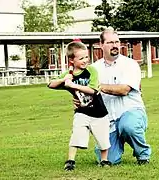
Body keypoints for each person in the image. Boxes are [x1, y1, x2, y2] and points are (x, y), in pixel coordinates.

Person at [73, 28, 151, 165]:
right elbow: (88, 95)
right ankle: (116, 145)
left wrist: (97, 87)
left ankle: (143, 155)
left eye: (117, 42)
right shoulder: (93, 69)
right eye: (110, 42)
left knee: (128, 126)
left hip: (131, 111)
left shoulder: (130, 64)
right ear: (101, 44)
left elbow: (124, 90)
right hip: (108, 119)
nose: (115, 45)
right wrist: (81, 101)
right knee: (108, 160)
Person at [48, 41, 111, 171]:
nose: (85, 60)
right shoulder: (68, 75)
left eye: (86, 57)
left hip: (99, 112)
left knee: (103, 139)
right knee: (76, 133)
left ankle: (104, 160)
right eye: (81, 58)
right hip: (81, 111)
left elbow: (93, 90)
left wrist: (73, 85)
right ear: (71, 60)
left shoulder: (91, 70)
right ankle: (70, 160)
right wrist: (64, 80)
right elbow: (51, 84)